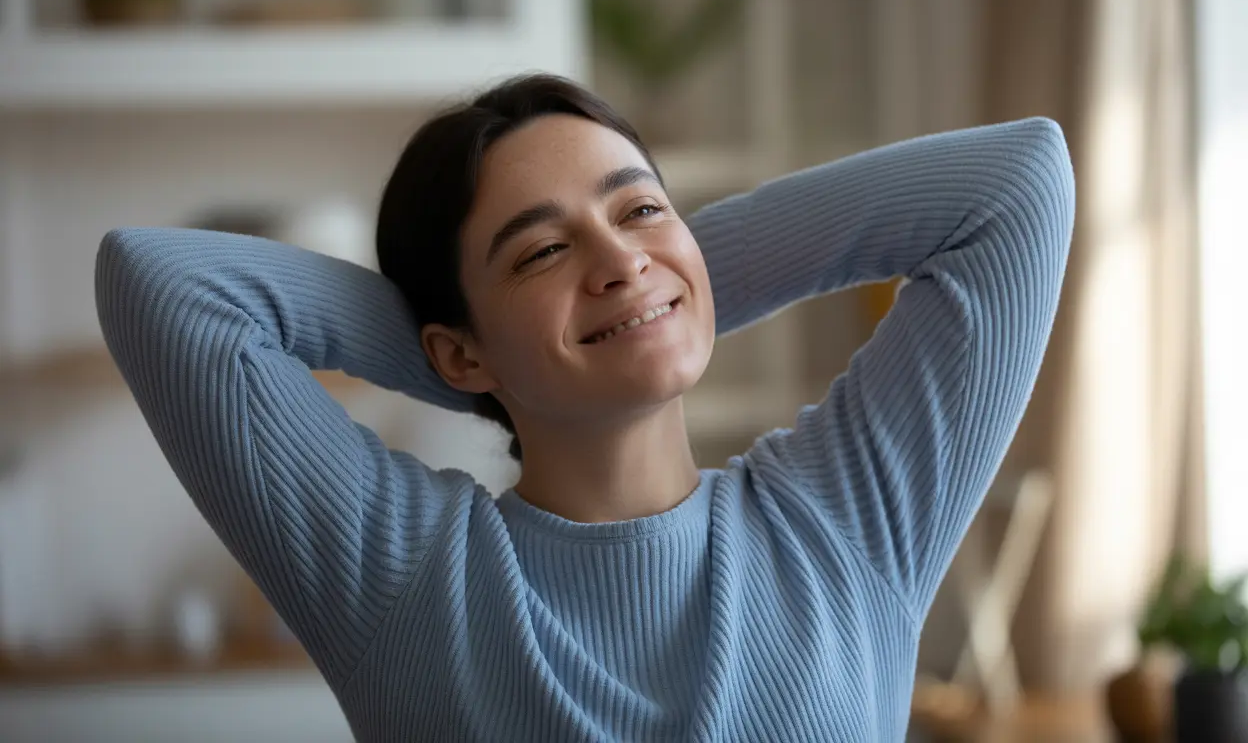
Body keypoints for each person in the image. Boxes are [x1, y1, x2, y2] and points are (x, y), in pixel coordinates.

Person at [95, 74, 1074, 742]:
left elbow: (1019, 182)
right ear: (456, 347)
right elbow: (163, 283)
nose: (616, 257)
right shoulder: (400, 574)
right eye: (541, 251)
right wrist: (489, 349)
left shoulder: (848, 522)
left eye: (640, 206)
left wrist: (667, 286)